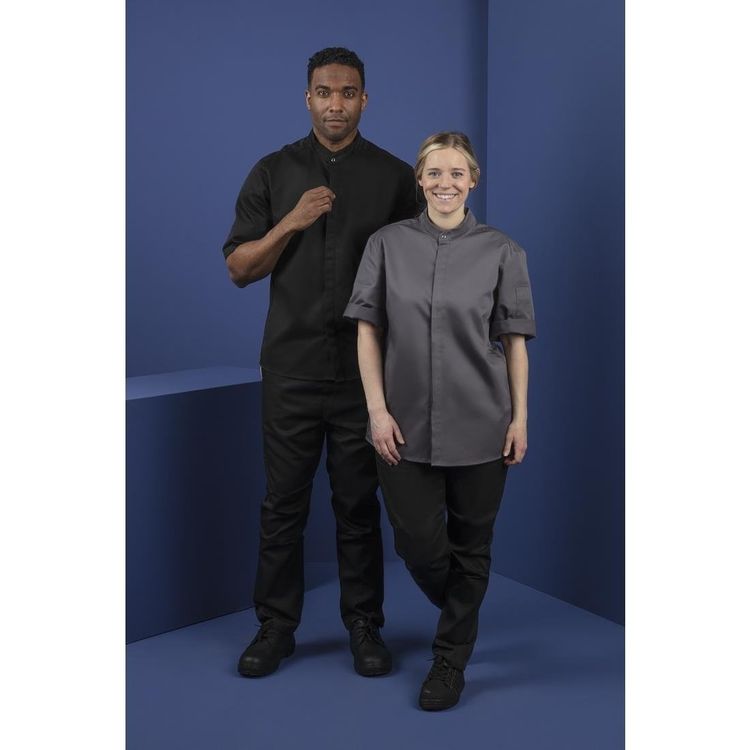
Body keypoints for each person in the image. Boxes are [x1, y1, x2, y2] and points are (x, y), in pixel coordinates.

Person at [222, 47, 419, 678]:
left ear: (365, 100)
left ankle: (364, 626)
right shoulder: (272, 171)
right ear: (308, 98)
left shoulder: (395, 178)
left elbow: (419, 277)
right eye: (325, 92)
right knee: (283, 504)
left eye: (348, 92)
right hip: (291, 368)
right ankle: (276, 628)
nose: (336, 104)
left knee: (358, 506)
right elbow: (239, 269)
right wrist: (291, 222)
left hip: (366, 377)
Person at [344, 132, 536, 709]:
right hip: (402, 425)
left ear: (472, 180)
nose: (444, 183)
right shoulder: (385, 245)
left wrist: (520, 419)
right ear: (420, 180)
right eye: (434, 173)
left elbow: (515, 343)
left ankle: (450, 661)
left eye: (456, 173)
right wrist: (377, 411)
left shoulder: (503, 251)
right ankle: (462, 611)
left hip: (483, 422)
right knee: (418, 544)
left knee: (473, 546)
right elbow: (368, 331)